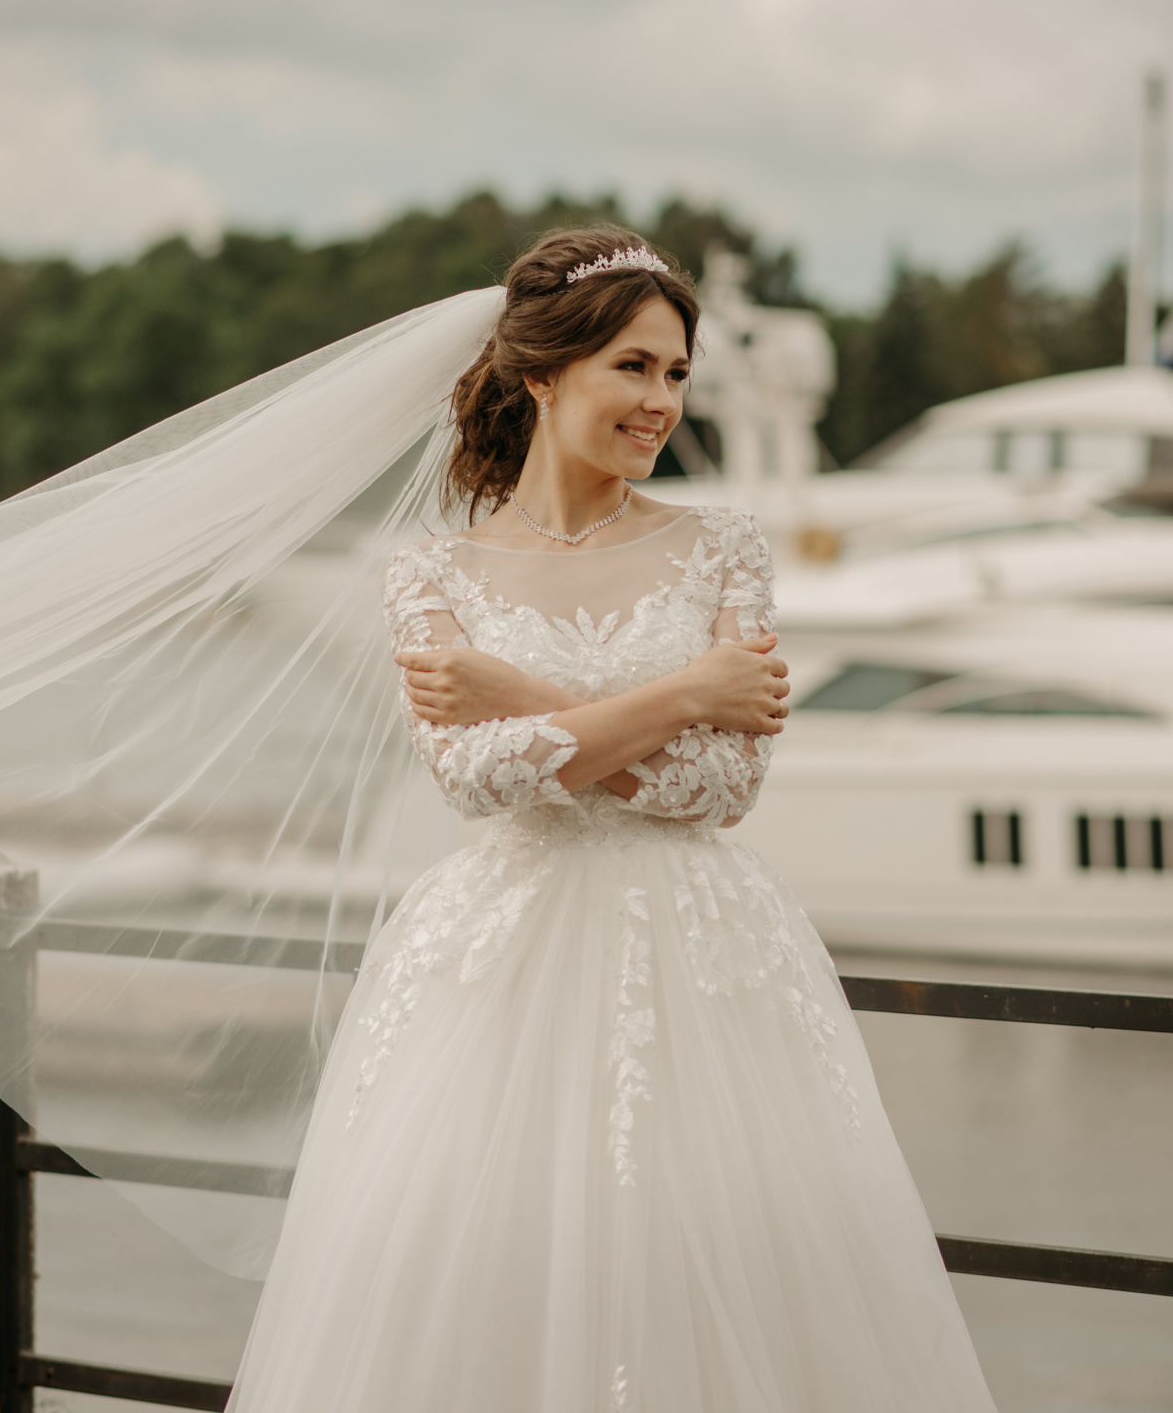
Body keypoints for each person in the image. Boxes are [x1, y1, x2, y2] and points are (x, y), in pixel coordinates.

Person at [224, 227, 996, 1412]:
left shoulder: (723, 546)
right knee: (490, 1286)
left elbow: (721, 790)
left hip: (707, 963)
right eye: (633, 368)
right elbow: (473, 779)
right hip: (498, 971)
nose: (661, 402)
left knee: (724, 1275)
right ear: (543, 373)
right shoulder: (430, 570)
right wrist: (687, 695)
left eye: (677, 374)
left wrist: (519, 695)